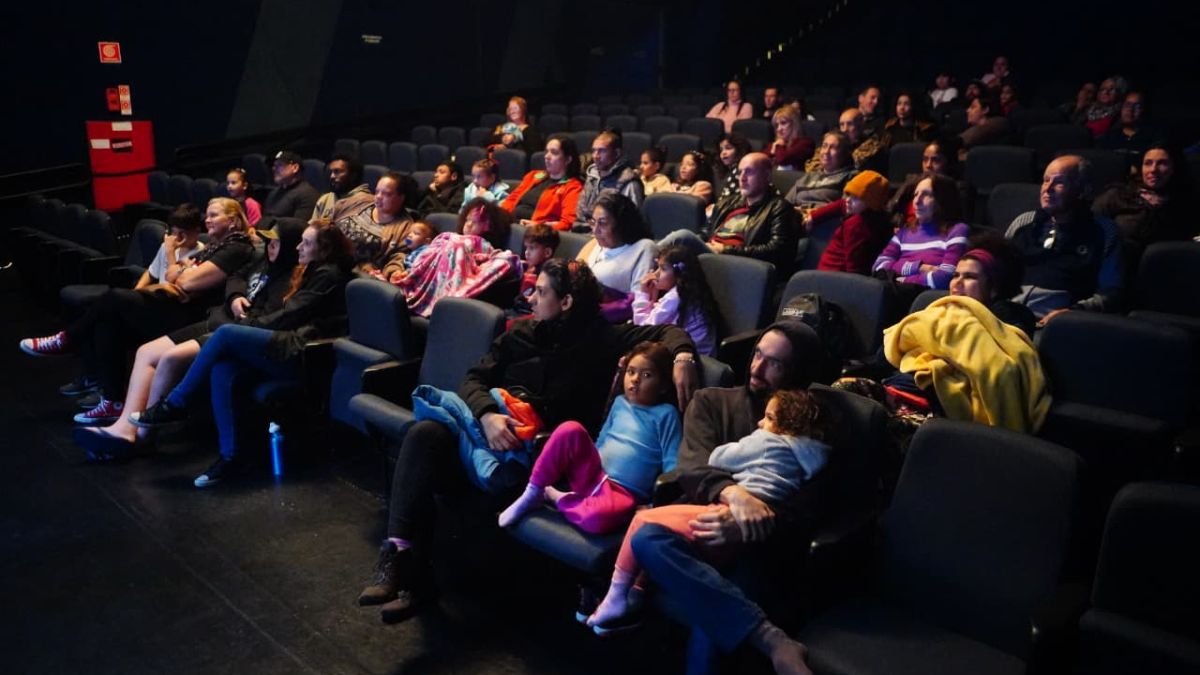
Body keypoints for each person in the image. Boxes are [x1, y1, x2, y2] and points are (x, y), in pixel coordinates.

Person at [355, 259, 701, 623]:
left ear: (565, 302)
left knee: (427, 453)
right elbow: (473, 378)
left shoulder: (602, 339)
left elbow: (667, 333)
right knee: (424, 435)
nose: (530, 298)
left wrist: (682, 357)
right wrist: (488, 414)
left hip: (535, 455)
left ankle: (415, 582)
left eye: (541, 291)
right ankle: (400, 558)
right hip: (490, 429)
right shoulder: (519, 334)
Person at [626, 322, 828, 675]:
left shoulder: (807, 426)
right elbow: (691, 467)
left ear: (796, 373)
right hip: (701, 530)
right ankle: (773, 640)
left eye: (775, 364)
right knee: (647, 537)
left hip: (758, 547)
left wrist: (750, 523)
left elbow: (815, 503)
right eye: (758, 355)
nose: (757, 368)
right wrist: (732, 494)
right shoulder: (712, 401)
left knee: (714, 621)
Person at [586, 388, 829, 644]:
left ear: (787, 424)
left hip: (729, 521)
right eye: (758, 354)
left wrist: (745, 450)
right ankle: (635, 592)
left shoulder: (767, 441)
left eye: (768, 418)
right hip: (745, 535)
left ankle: (615, 596)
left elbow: (717, 458)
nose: (761, 423)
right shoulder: (813, 456)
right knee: (653, 541)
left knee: (643, 522)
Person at [129, 222, 355, 486]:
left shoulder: (328, 275)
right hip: (287, 344)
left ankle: (176, 404)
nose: (298, 247)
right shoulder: (314, 269)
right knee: (223, 367)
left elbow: (289, 316)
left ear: (324, 249)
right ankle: (231, 457)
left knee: (225, 334)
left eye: (306, 243)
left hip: (303, 354)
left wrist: (245, 327)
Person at [73, 220, 305, 459]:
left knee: (170, 358)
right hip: (217, 319)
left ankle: (140, 436)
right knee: (146, 351)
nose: (270, 247)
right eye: (269, 241)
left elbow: (269, 315)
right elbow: (236, 276)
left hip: (233, 331)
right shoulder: (262, 260)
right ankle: (123, 426)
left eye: (277, 243)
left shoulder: (290, 278)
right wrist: (235, 296)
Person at [20, 198, 257, 425]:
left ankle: (69, 339)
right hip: (177, 306)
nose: (208, 219)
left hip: (194, 316)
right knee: (109, 320)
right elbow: (174, 277)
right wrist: (178, 274)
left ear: (234, 221)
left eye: (214, 215)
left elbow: (185, 283)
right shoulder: (216, 247)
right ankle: (112, 400)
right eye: (208, 214)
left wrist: (175, 262)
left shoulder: (235, 247)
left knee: (113, 299)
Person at [497, 341, 681, 531]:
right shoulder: (620, 402)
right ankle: (532, 493)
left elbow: (672, 465)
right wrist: (585, 464)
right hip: (594, 475)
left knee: (597, 519)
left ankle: (557, 497)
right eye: (631, 372)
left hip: (624, 494)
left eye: (647, 375)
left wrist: (654, 506)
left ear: (663, 387)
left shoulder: (666, 414)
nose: (635, 379)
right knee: (571, 429)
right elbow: (602, 439)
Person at [1007, 155, 1124, 322]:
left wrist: (1071, 313)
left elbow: (1111, 292)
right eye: (1046, 180)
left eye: (1059, 182)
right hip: (1007, 314)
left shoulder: (1104, 232)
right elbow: (995, 270)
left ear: (1083, 190)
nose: (1048, 188)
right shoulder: (1023, 223)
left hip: (1059, 322)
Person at [661, 153, 799, 272]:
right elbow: (705, 232)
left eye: (749, 172)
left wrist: (726, 249)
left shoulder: (778, 207)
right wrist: (702, 242)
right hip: (711, 254)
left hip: (738, 263)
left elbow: (776, 250)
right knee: (668, 254)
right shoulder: (727, 203)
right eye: (740, 172)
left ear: (767, 176)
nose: (742, 178)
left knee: (683, 237)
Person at [396, 198, 519, 317]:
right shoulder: (452, 236)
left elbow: (485, 257)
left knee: (457, 245)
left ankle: (441, 300)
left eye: (475, 222)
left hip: (453, 280)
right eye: (467, 220)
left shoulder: (482, 243)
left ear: (488, 227)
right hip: (435, 270)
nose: (469, 224)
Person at [1093, 144, 1196, 274]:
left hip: (1168, 273)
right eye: (1148, 163)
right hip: (1118, 271)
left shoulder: (1185, 203)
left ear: (1174, 168)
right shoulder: (1118, 195)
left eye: (1162, 163)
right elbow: (1089, 226)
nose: (1153, 169)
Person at [872, 174, 970, 290]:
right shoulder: (903, 233)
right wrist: (918, 267)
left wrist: (903, 280)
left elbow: (945, 278)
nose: (917, 201)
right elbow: (878, 267)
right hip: (896, 295)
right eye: (916, 194)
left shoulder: (957, 230)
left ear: (943, 199)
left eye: (926, 194)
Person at [577, 193, 658, 321]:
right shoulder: (595, 243)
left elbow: (639, 299)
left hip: (607, 321)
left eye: (603, 223)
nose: (595, 230)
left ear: (621, 224)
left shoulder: (643, 248)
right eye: (593, 222)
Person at [633, 245, 719, 356]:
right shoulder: (687, 291)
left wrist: (642, 294)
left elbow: (644, 331)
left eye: (663, 269)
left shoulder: (675, 298)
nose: (655, 274)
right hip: (691, 354)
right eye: (657, 267)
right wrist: (653, 294)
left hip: (693, 360)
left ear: (679, 274)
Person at [948, 234, 1037, 336]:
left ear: (993, 286)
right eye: (956, 275)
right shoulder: (939, 313)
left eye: (969, 277)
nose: (957, 282)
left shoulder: (1011, 321)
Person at [335, 171, 419, 278]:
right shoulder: (362, 201)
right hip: (325, 252)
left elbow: (400, 256)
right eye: (377, 191)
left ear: (401, 198)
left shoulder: (406, 228)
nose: (378, 197)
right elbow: (333, 214)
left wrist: (393, 272)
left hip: (353, 273)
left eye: (386, 194)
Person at [812, 170, 893, 274]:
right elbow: (854, 270)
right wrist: (813, 216)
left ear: (871, 203)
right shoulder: (856, 223)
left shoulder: (859, 223)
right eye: (848, 194)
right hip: (834, 278)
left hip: (837, 276)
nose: (848, 200)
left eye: (855, 197)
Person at [500, 134, 584, 231]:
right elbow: (512, 199)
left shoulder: (573, 187)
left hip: (535, 234)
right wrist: (502, 216)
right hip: (512, 224)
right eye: (547, 151)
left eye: (554, 153)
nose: (547, 156)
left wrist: (539, 226)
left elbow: (567, 223)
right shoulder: (534, 175)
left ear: (568, 159)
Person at [575, 128, 644, 227]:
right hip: (584, 232)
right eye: (594, 151)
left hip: (612, 239)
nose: (596, 156)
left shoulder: (629, 183)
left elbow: (632, 223)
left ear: (617, 153)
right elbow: (580, 213)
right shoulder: (592, 176)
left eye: (602, 151)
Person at [787, 132, 859, 211]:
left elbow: (845, 209)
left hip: (823, 219)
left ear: (844, 153)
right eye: (824, 146)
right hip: (797, 218)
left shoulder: (850, 176)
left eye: (833, 148)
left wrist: (813, 213)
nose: (826, 152)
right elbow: (786, 204)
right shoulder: (808, 177)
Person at [1097, 91, 1163, 166]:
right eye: (1127, 105)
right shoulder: (1108, 138)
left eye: (1137, 107)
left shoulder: (1153, 140)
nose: (1130, 110)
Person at [512, 224, 559, 316]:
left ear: (547, 252)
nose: (527, 252)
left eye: (532, 248)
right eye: (526, 248)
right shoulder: (531, 269)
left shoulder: (547, 277)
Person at [311, 154, 373, 222]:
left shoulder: (365, 202)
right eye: (331, 172)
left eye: (337, 171)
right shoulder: (325, 199)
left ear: (353, 175)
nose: (332, 176)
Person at [263, 151, 320, 219]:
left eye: (279, 165)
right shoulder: (273, 194)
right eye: (274, 166)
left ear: (295, 168)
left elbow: (300, 226)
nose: (274, 168)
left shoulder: (308, 194)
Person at [765, 106, 815, 170]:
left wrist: (778, 146)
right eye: (777, 125)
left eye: (783, 123)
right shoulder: (776, 144)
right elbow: (761, 160)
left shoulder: (805, 143)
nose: (779, 129)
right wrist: (772, 152)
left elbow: (783, 159)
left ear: (794, 124)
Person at [836, 108, 885, 172]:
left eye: (850, 124)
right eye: (842, 125)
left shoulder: (874, 148)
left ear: (861, 125)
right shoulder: (836, 145)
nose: (844, 129)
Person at [713, 133, 753, 205]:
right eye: (721, 150)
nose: (723, 153)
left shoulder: (740, 171)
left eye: (728, 148)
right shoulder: (727, 170)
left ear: (739, 150)